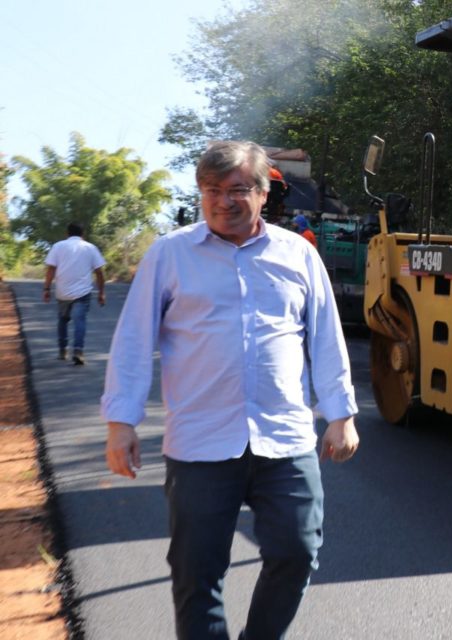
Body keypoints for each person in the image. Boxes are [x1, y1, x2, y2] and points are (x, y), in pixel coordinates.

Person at [101, 140, 359, 640]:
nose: (223, 200)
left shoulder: (298, 254)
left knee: (297, 551)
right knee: (197, 572)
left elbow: (326, 337)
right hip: (200, 442)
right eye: (211, 190)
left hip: (284, 439)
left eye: (237, 188)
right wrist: (121, 423)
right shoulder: (170, 255)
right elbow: (133, 340)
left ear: (263, 193)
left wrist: (340, 414)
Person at [43, 222, 107, 365]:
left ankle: (62, 350)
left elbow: (50, 270)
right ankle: (78, 351)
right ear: (82, 234)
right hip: (82, 293)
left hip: (62, 292)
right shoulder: (91, 248)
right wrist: (101, 292)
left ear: (67, 233)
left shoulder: (58, 246)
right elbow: (99, 273)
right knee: (80, 321)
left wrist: (46, 289)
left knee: (63, 320)